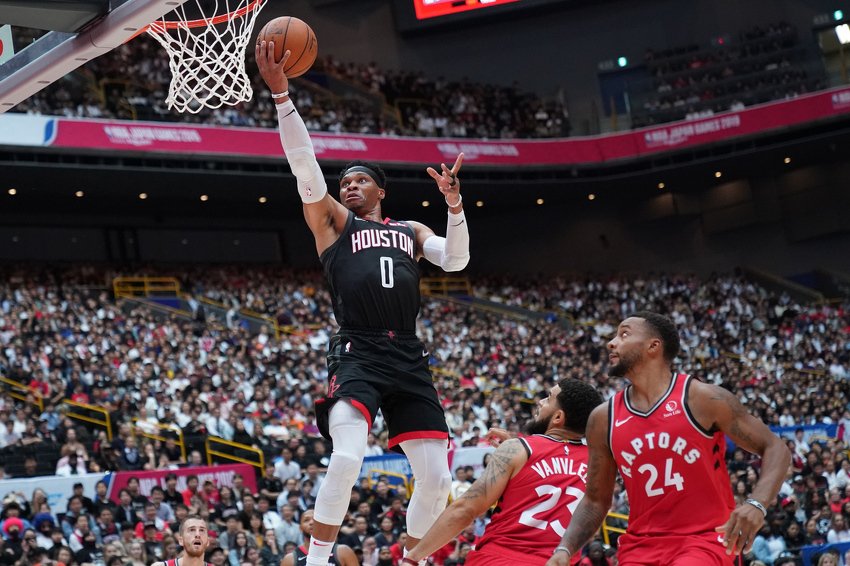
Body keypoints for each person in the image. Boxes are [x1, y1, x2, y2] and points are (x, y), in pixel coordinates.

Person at [257, 41, 469, 566]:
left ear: (379, 191)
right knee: (349, 457)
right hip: (357, 350)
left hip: (409, 355)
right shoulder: (332, 222)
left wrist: (454, 204)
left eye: (359, 181)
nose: (347, 186)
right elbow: (304, 163)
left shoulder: (411, 229)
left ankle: (414, 559)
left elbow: (457, 261)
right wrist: (283, 96)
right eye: (344, 181)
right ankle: (316, 559)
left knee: (438, 476)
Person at [545, 312, 792, 566]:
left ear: (654, 346)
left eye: (624, 334)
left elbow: (776, 448)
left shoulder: (702, 399)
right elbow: (596, 500)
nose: (611, 342)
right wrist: (564, 549)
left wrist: (757, 503)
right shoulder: (603, 419)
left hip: (705, 541)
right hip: (640, 546)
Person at [405, 379, 602, 566]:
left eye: (548, 398)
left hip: (499, 557)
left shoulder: (517, 450)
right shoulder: (599, 465)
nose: (540, 402)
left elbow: (465, 510)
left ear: (558, 417)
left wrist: (413, 558)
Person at [280, 510, 358, 566]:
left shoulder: (343, 551)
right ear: (300, 528)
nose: (311, 522)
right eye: (306, 520)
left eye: (315, 519)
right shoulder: (290, 559)